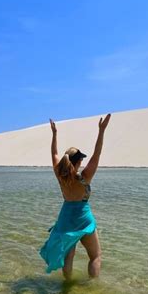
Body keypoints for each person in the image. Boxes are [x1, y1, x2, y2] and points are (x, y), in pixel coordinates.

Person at [39, 113, 111, 279]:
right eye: (81, 160)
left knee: (68, 257)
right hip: (84, 220)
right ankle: (92, 291)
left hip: (66, 220)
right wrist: (101, 131)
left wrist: (54, 134)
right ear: (78, 162)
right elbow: (97, 154)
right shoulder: (84, 177)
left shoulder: (60, 175)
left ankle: (67, 286)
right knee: (95, 256)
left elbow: (54, 153)